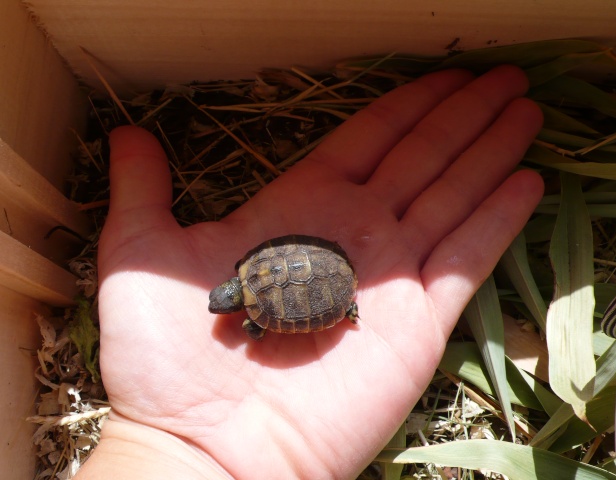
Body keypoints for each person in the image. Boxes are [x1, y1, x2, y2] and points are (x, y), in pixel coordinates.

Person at [74, 65, 544, 479]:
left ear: (234, 294)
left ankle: (345, 307)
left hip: (329, 278)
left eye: (226, 299)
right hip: (323, 265)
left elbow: (258, 325)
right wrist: (164, 441)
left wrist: (159, 444)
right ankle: (345, 307)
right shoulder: (251, 267)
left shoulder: (254, 310)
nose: (223, 304)